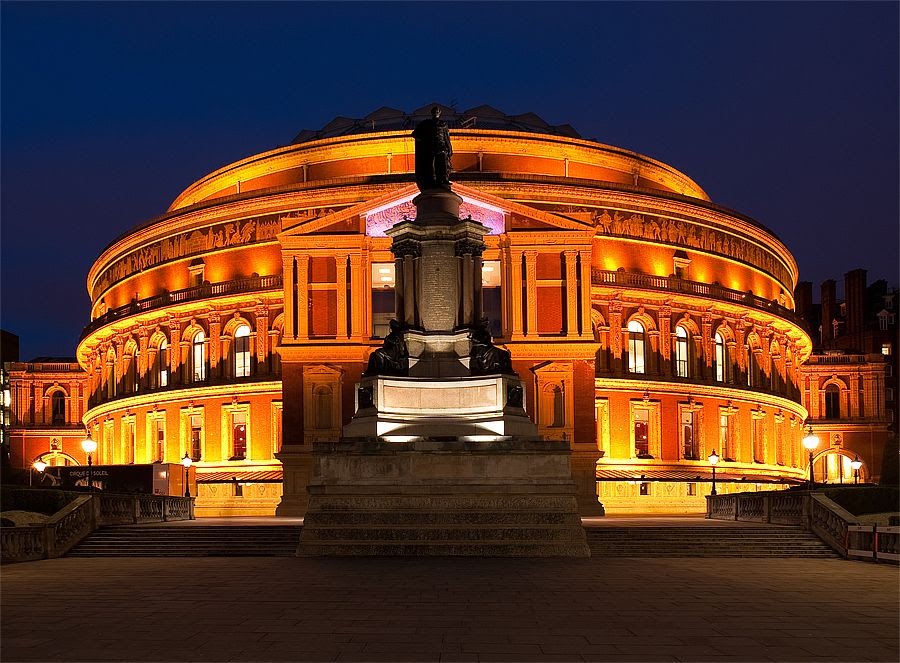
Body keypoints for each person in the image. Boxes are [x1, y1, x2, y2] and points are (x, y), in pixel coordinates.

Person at [412, 106, 452, 191]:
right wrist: (423, 140)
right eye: (435, 112)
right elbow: (415, 134)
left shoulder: (443, 124)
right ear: (432, 113)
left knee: (443, 164)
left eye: (437, 112)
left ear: (439, 113)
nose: (436, 113)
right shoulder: (426, 123)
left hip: (441, 147)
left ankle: (444, 180)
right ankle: (432, 180)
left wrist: (449, 149)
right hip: (431, 147)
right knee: (431, 164)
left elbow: (446, 137)